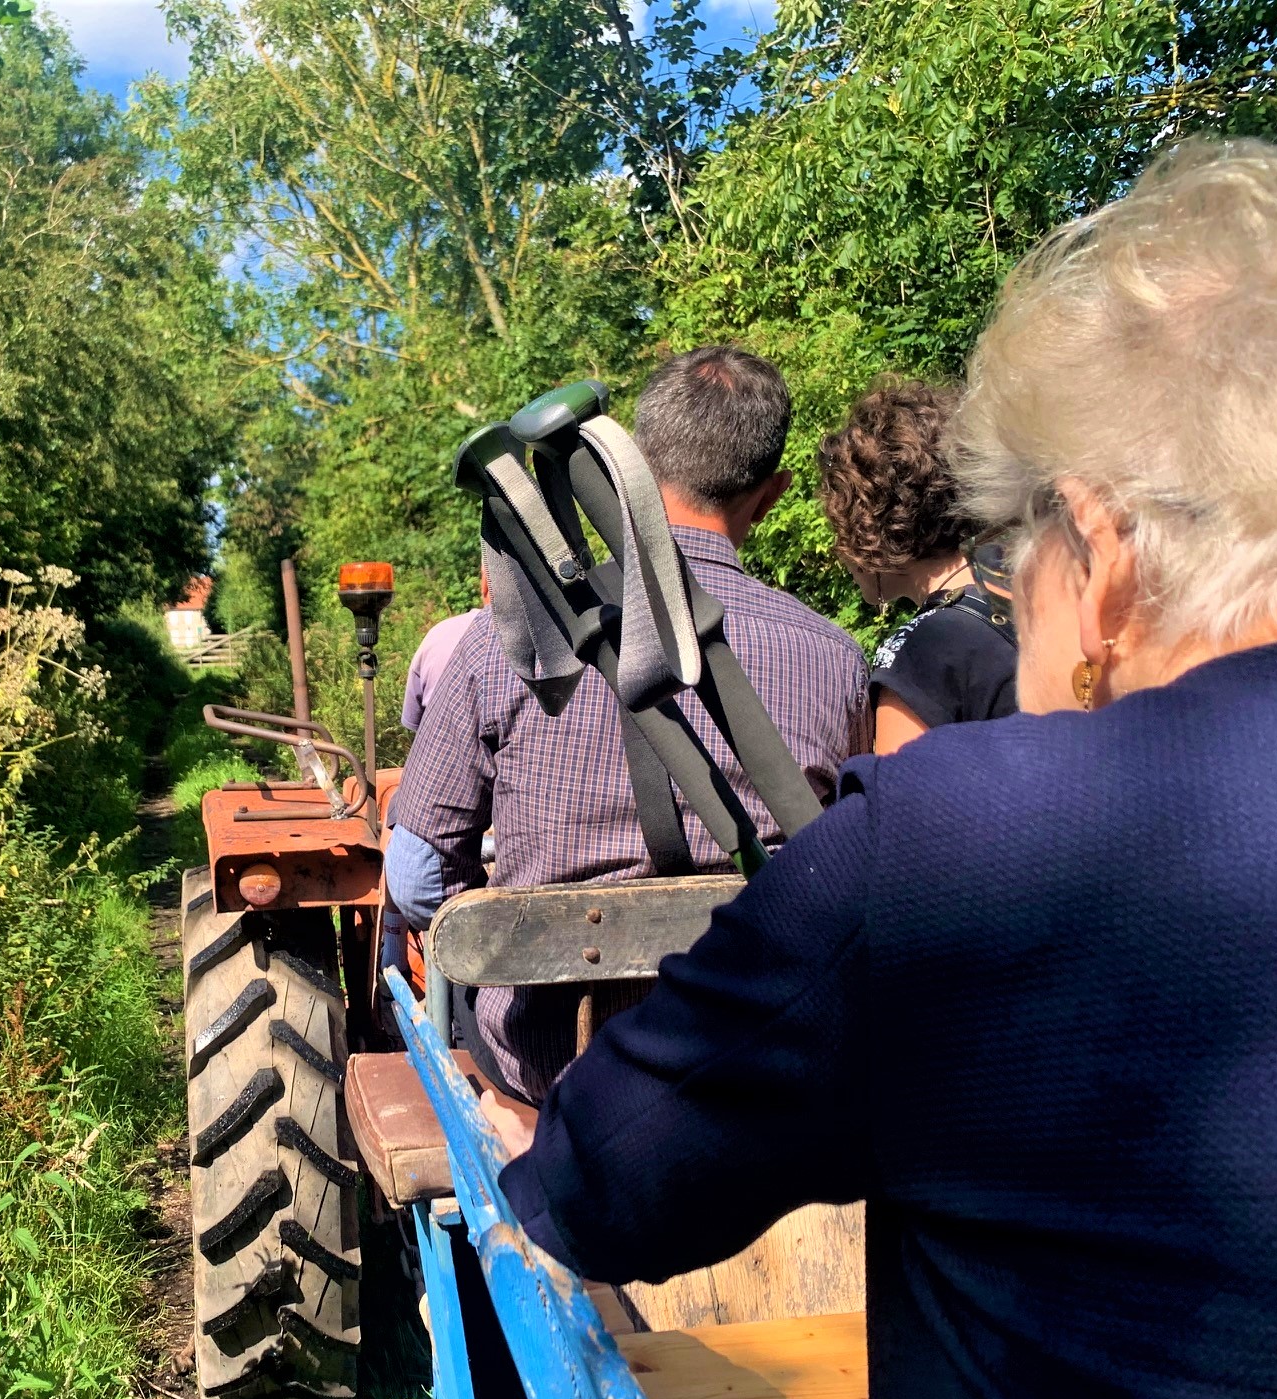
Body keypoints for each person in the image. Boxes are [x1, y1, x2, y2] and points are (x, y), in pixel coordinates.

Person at [498, 139, 1277, 1399]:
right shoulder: (843, 687)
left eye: (1012, 551)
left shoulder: (963, 853)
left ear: (1099, 554)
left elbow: (596, 1191)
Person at [387, 346, 870, 1103]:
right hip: (763, 1062)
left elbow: (415, 881)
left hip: (552, 1072)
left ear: (630, 465)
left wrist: (502, 916)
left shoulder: (507, 643)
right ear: (771, 496)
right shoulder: (836, 658)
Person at [818, 380, 1018, 753]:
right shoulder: (1036, 594)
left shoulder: (920, 652)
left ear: (868, 525)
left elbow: (899, 805)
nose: (837, 547)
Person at [400, 577, 487, 733]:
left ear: (485, 583)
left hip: (441, 753)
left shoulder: (440, 634)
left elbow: (413, 719)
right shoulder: (541, 643)